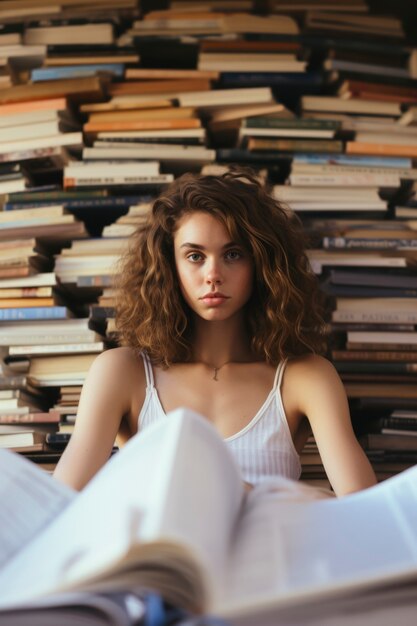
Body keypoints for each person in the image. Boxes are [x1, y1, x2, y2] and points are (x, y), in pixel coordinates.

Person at [53, 169, 377, 496]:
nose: (213, 275)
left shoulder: (306, 378)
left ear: (261, 264)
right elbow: (58, 505)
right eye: (195, 256)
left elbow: (366, 514)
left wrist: (239, 491)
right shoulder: (124, 373)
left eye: (233, 254)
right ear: (170, 265)